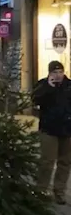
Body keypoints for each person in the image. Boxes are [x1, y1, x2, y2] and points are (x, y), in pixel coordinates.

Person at [33, 61, 71, 205]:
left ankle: (59, 192)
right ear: (49, 73)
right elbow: (36, 99)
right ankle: (41, 190)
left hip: (67, 130)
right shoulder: (43, 85)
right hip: (49, 130)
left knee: (65, 162)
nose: (58, 75)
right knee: (47, 162)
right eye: (55, 72)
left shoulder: (69, 85)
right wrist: (49, 87)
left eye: (60, 72)